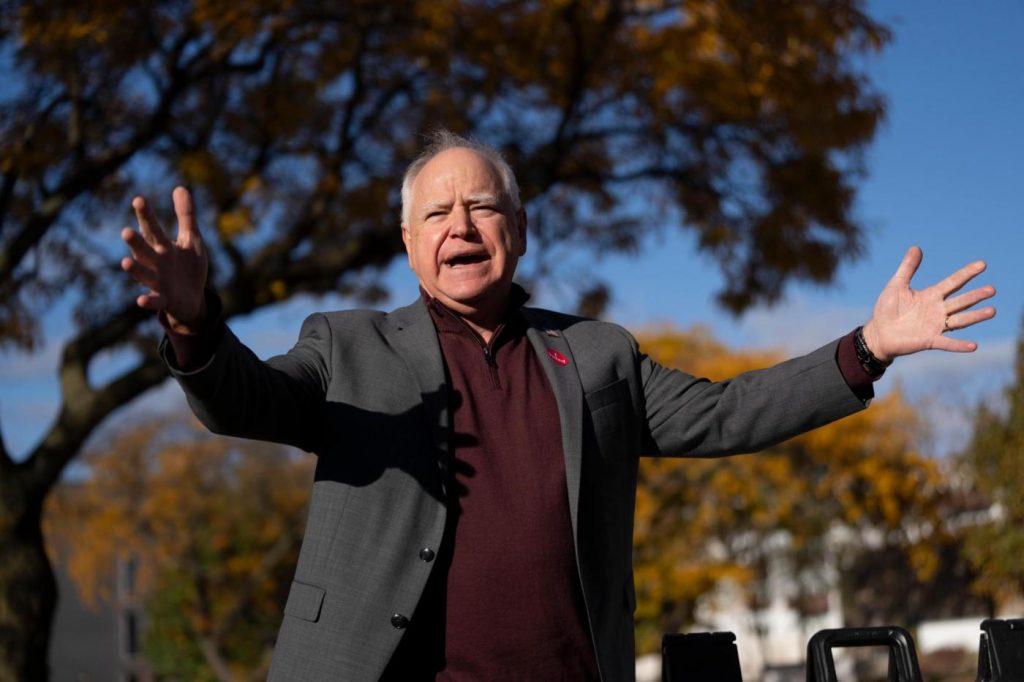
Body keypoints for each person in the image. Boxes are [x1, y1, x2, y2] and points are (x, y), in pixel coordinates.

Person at [121, 131, 996, 681]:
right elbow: (247, 401)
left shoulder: (600, 354)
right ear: (410, 244)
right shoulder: (348, 345)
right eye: (436, 213)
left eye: (481, 206)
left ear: (519, 228)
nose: (459, 226)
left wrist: (869, 346)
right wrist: (196, 325)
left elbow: (728, 412)